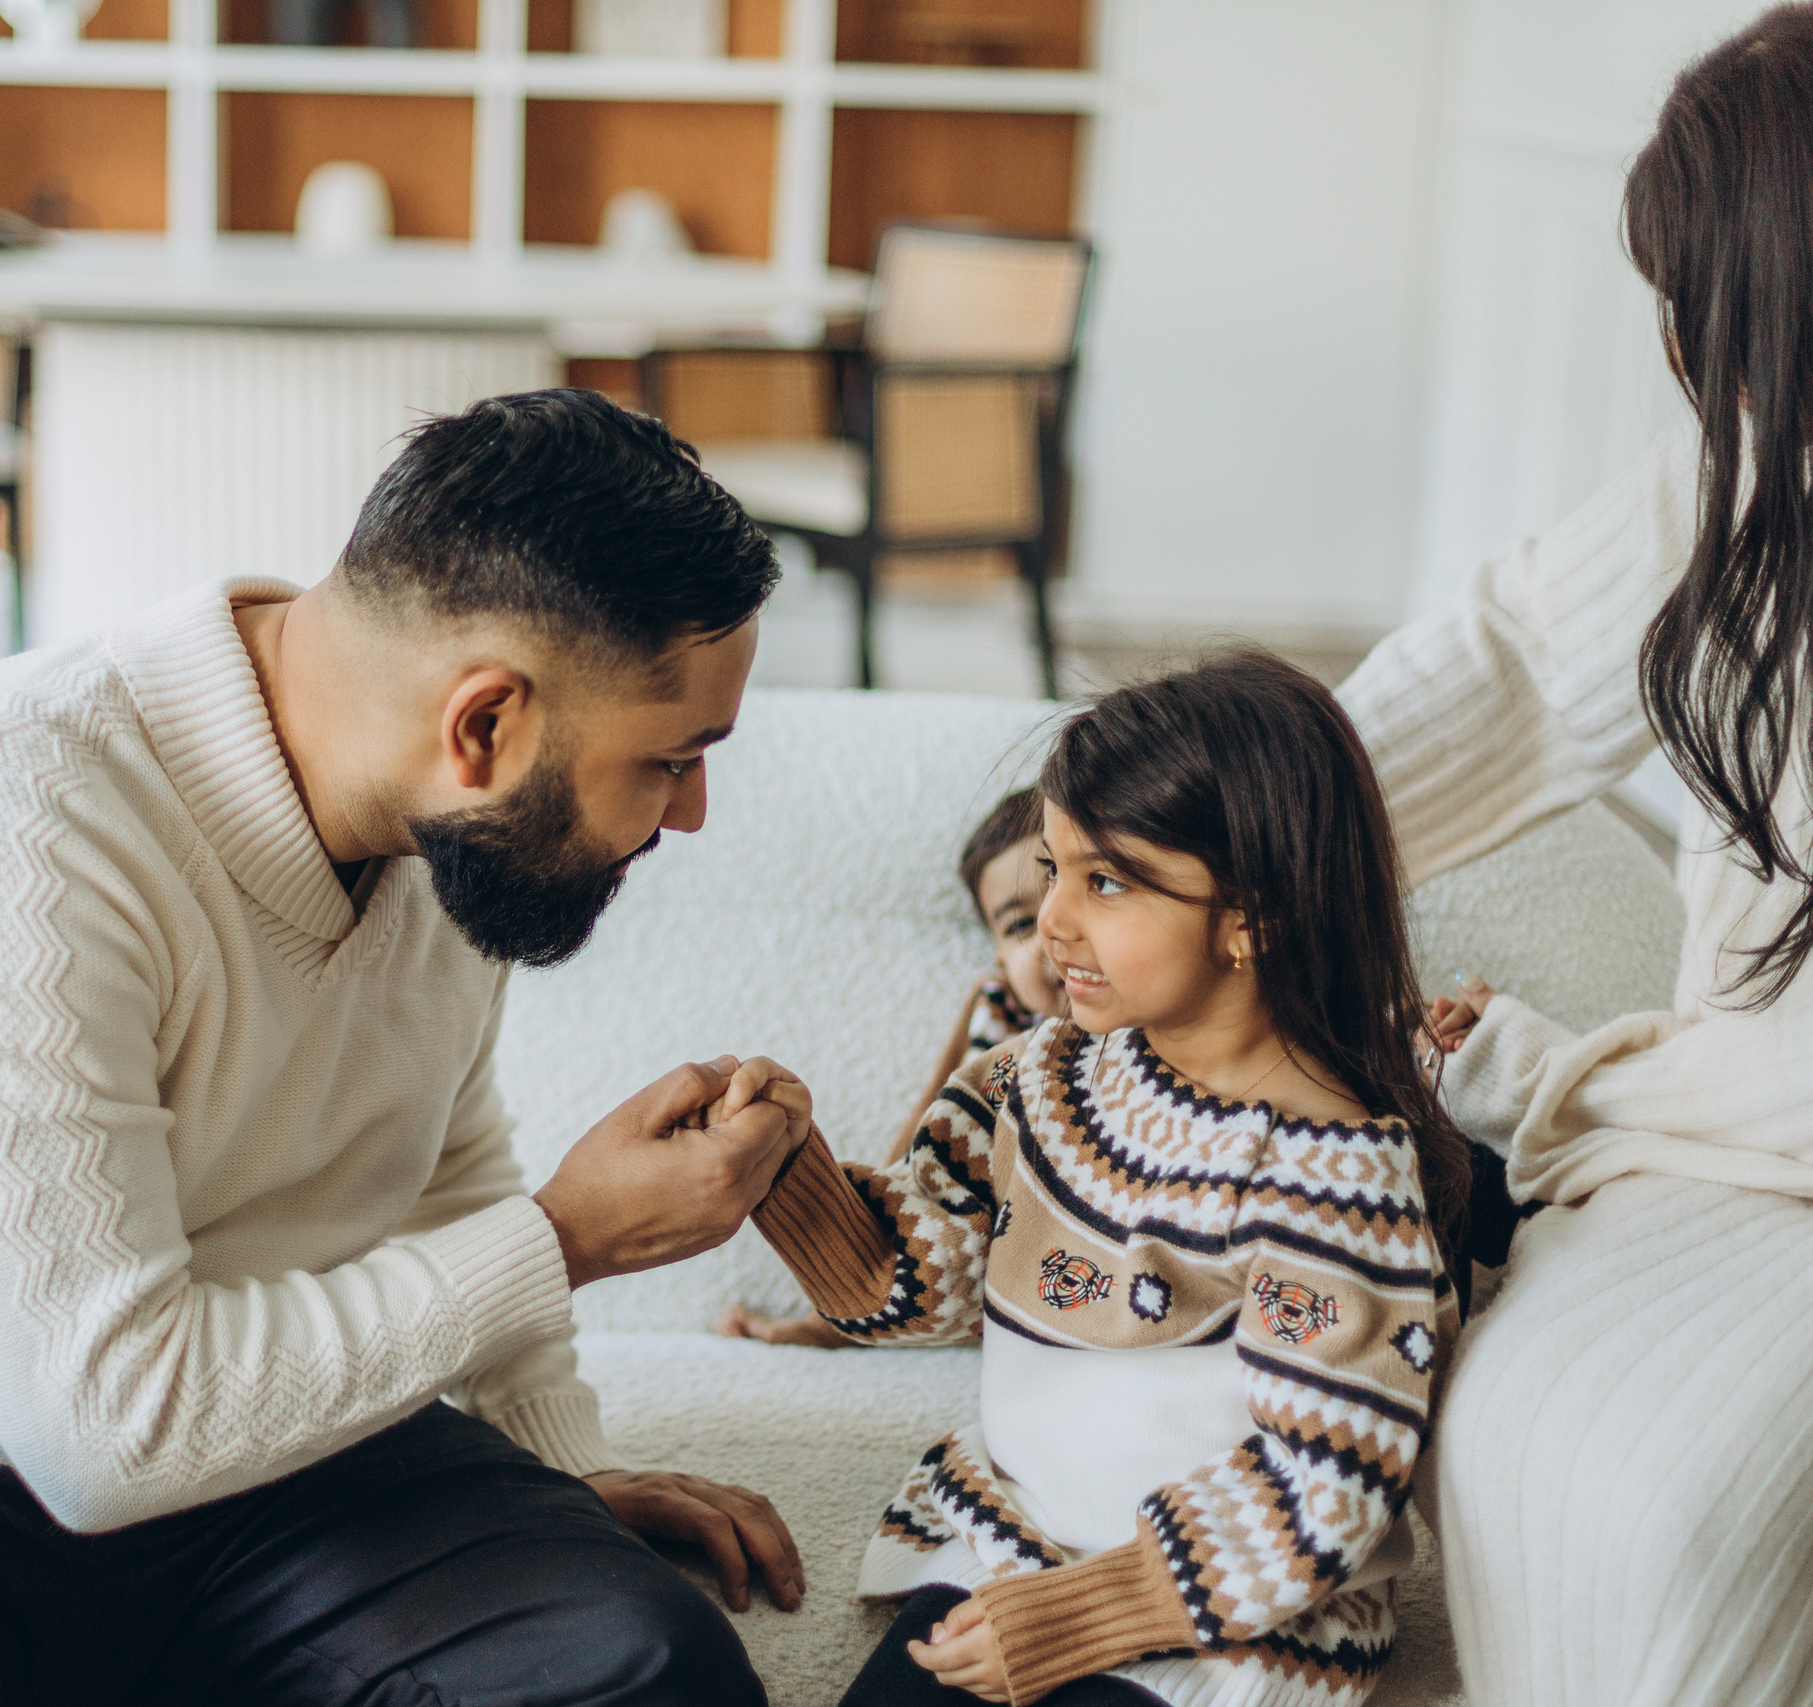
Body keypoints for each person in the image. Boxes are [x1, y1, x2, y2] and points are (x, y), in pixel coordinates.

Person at [0, 390, 816, 1707]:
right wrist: (569, 1237)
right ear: (483, 726)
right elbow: (108, 1429)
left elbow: (446, 1167)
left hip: (273, 1461)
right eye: (672, 759)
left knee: (640, 1665)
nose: (692, 811)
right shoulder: (3, 806)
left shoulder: (455, 831)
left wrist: (558, 1463)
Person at [1331, 9, 1813, 1702]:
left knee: (1684, 1503)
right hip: (1723, 1145)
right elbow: (1519, 659)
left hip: (1739, 1127)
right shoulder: (1741, 478)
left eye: (1701, 300)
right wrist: (1210, 825)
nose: (1681, 351)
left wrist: (1556, 1077)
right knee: (1524, 1422)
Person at [752, 652, 1468, 1707]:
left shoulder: (1331, 1176)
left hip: (1217, 1620)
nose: (1052, 922)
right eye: (1052, 869)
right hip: (1014, 1539)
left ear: (1254, 915)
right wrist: (783, 1171)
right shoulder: (1037, 1076)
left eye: (1107, 881)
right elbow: (925, 1279)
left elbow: (1324, 1482)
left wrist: (1075, 1617)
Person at [719, 788, 1066, 1349]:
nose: (1055, 931)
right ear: (1000, 958)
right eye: (1022, 924)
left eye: (1080, 888)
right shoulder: (1003, 1030)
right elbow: (924, 1156)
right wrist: (830, 1321)